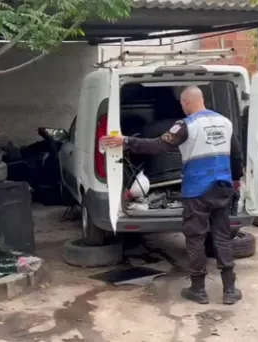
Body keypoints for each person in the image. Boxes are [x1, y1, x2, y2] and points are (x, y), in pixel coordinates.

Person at [101, 86, 244, 305]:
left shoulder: (186, 125)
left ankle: (198, 290)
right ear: (202, 99)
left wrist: (126, 141)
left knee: (195, 238)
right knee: (222, 237)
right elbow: (236, 154)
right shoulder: (225, 122)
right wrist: (236, 179)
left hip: (198, 190)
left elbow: (159, 145)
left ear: (185, 102)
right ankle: (230, 290)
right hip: (222, 188)